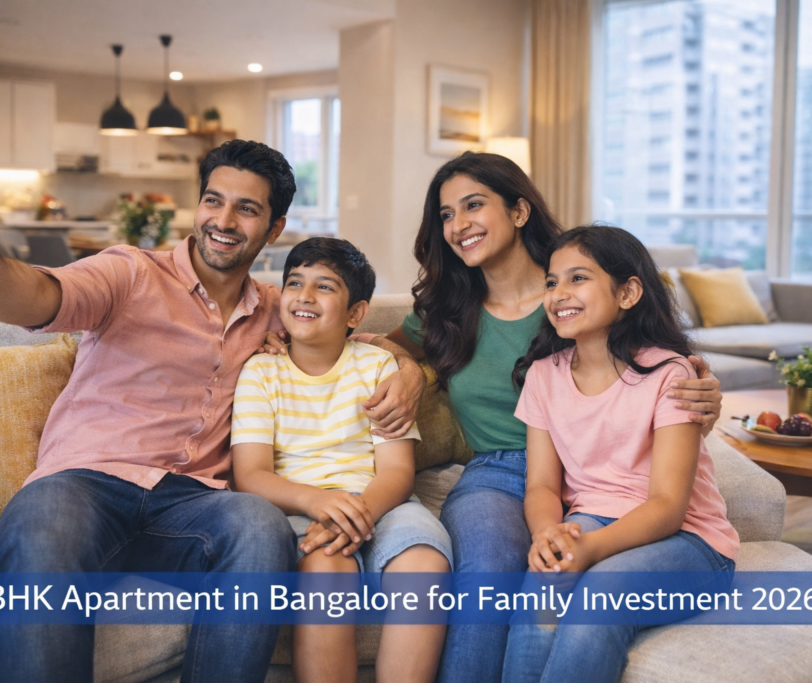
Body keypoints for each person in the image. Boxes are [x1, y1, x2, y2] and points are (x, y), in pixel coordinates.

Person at [0, 140, 424, 683]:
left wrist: (408, 372)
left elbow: (360, 341)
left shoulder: (280, 307)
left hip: (194, 502)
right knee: (42, 534)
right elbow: (37, 296)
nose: (223, 220)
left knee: (259, 528)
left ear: (274, 229)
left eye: (246, 209)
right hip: (87, 482)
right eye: (213, 201)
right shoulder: (129, 272)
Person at [382, 152, 725, 683]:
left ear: (519, 211)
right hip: (508, 471)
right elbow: (380, 349)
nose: (458, 225)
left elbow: (651, 356)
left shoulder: (576, 285)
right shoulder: (449, 308)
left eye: (474, 205)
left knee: (572, 586)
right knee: (495, 570)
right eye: (446, 214)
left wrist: (702, 391)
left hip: (600, 480)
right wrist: (409, 368)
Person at [501, 224, 739, 682]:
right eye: (551, 282)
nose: (558, 293)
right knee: (540, 597)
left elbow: (669, 507)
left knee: (601, 594)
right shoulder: (543, 376)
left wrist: (589, 550)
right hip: (589, 521)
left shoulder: (671, 375)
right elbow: (543, 485)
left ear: (628, 292)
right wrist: (549, 537)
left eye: (578, 278)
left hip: (692, 543)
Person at [232, 237, 452, 683]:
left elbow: (396, 472)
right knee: (324, 570)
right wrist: (318, 504)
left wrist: (356, 514)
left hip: (381, 502)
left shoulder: (376, 366)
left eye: (325, 287)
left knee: (426, 565)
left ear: (356, 314)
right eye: (295, 283)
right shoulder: (260, 371)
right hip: (299, 508)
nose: (305, 296)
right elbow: (250, 475)